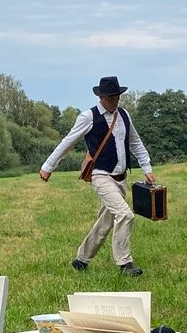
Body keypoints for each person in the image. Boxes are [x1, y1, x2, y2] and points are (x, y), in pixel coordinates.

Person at [39, 76, 155, 277]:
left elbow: (135, 142)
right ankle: (125, 263)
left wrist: (147, 167)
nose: (115, 101)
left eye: (117, 97)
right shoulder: (88, 117)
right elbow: (68, 142)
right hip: (101, 175)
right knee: (125, 214)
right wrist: (48, 166)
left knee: (106, 221)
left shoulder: (124, 115)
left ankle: (81, 260)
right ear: (101, 97)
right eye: (111, 98)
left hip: (120, 177)